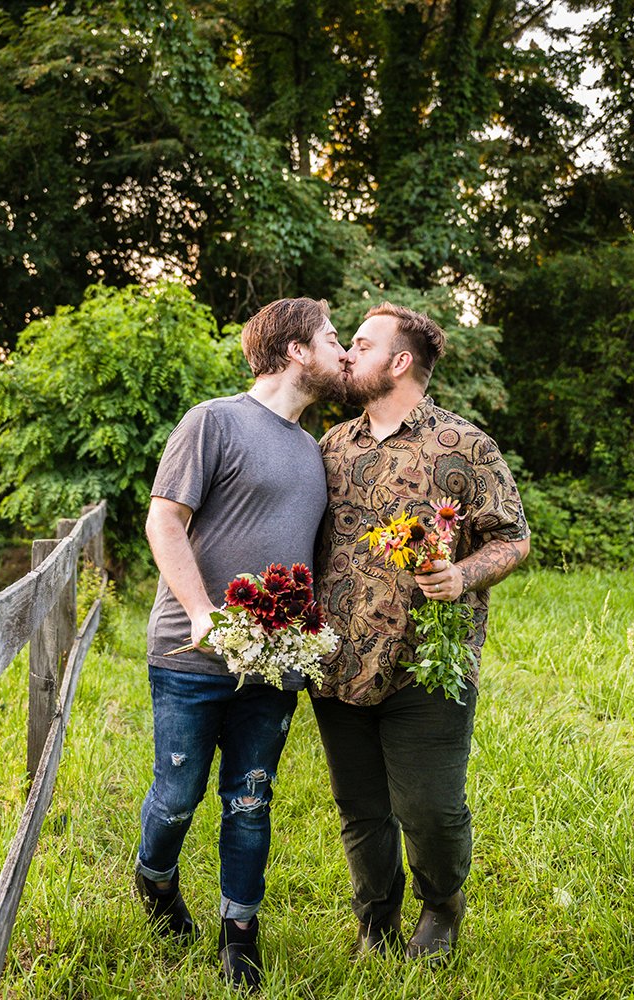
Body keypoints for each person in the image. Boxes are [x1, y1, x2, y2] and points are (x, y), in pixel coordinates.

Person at [134, 297, 345, 991]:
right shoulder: (214, 421)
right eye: (333, 338)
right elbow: (164, 521)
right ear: (294, 351)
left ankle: (240, 934)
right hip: (190, 655)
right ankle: (155, 876)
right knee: (177, 796)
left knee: (251, 798)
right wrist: (201, 612)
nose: (343, 352)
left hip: (275, 666)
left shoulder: (315, 452)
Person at [312, 302, 530, 961]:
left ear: (400, 361)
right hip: (339, 659)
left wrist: (463, 575)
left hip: (429, 661)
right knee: (360, 808)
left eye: (361, 343)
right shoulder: (331, 447)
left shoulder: (465, 447)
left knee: (431, 810)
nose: (347, 354)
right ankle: (375, 921)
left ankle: (441, 909)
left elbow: (514, 538)